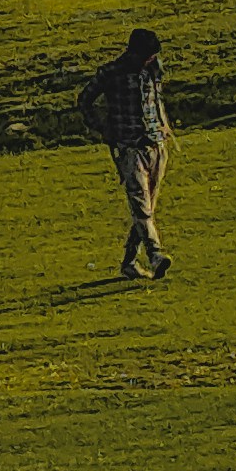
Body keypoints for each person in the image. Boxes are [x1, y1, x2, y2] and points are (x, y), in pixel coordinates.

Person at [91, 25, 175, 286]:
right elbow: (85, 100)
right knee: (141, 206)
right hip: (129, 147)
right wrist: (104, 128)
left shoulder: (153, 69)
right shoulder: (111, 73)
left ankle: (129, 262)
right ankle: (155, 254)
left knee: (147, 208)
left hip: (156, 145)